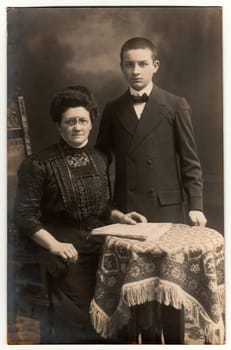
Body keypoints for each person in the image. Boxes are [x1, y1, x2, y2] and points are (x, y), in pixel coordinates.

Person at [96, 37, 207, 344]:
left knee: (169, 288)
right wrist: (106, 205)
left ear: (155, 66)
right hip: (128, 213)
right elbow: (101, 160)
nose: (136, 71)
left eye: (142, 64)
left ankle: (172, 342)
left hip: (168, 209)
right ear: (121, 67)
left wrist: (195, 205)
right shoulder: (113, 108)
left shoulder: (174, 104)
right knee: (136, 290)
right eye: (129, 64)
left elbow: (190, 161)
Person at [15, 85, 146, 344]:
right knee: (79, 323)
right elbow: (24, 216)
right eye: (70, 121)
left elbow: (103, 206)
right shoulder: (38, 165)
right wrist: (54, 245)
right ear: (58, 126)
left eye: (82, 121)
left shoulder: (100, 157)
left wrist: (121, 217)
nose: (77, 127)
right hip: (64, 250)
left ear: (91, 123)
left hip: (100, 244)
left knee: (119, 310)